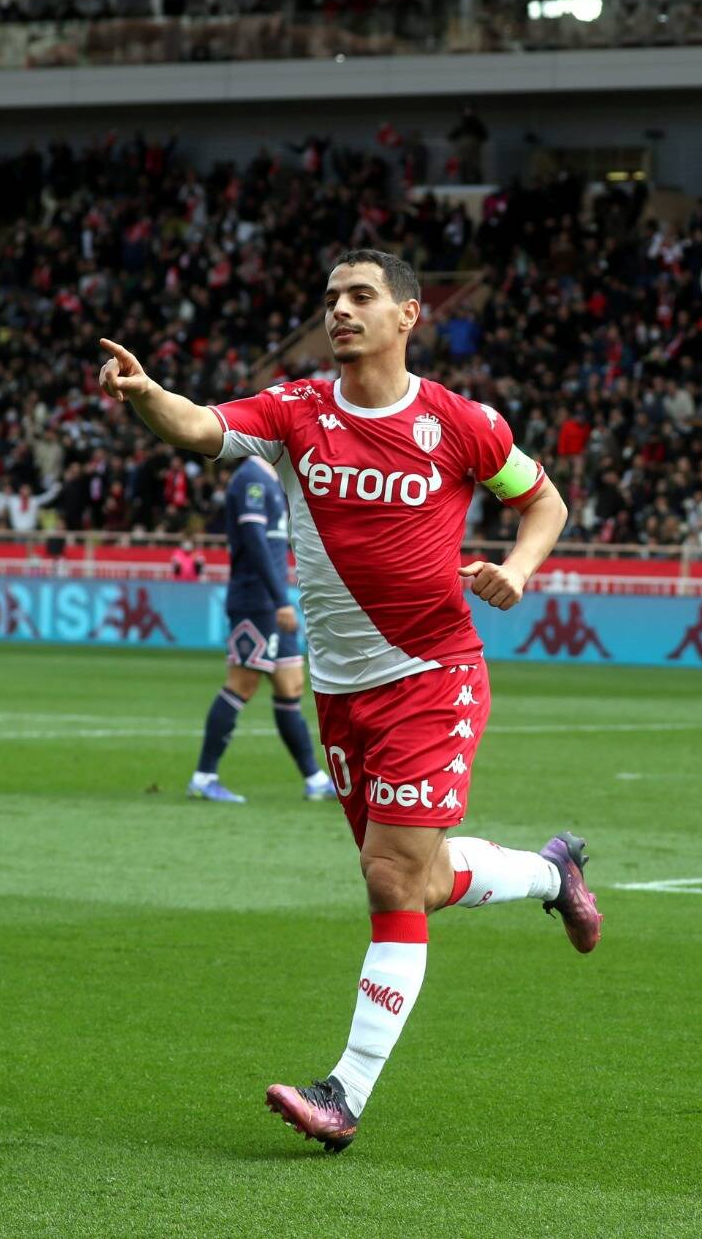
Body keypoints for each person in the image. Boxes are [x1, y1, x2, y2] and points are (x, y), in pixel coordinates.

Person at [97, 247, 599, 1154]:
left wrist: (518, 572)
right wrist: (144, 393)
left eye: (361, 296)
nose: (341, 310)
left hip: (433, 671)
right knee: (427, 877)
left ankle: (346, 1091)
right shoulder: (294, 411)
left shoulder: (459, 422)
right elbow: (202, 426)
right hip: (341, 692)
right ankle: (552, 870)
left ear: (407, 315)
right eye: (331, 296)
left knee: (389, 878)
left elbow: (547, 501)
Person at [187, 456, 338, 804]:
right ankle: (203, 776)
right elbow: (254, 541)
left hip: (270, 601)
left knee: (290, 685)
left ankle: (314, 779)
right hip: (256, 601)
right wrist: (280, 599)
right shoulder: (251, 479)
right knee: (242, 682)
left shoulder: (270, 479)